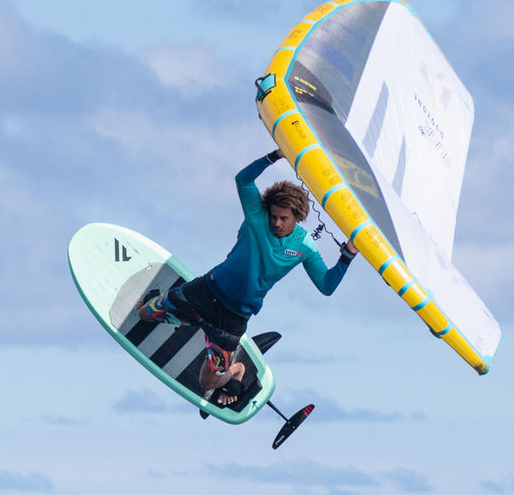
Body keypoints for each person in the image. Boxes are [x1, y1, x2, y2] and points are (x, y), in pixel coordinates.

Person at [136, 149, 359, 395]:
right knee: (144, 314)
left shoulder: (305, 246)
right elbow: (243, 179)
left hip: (232, 319)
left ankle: (237, 370)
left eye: (283, 218)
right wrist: (274, 156)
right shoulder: (256, 214)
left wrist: (346, 257)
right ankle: (186, 316)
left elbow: (326, 286)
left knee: (208, 383)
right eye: (274, 216)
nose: (276, 223)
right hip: (205, 292)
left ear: (298, 217)